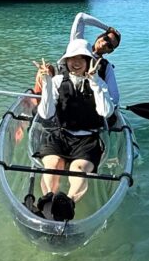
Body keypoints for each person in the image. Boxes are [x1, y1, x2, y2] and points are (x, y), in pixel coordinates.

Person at [32, 38, 114, 220]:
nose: (75, 63)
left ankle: (68, 203)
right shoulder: (58, 80)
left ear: (88, 61)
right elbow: (45, 114)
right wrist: (46, 83)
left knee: (78, 169)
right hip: (60, 135)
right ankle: (48, 202)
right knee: (53, 165)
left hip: (88, 139)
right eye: (71, 58)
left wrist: (95, 83)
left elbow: (106, 112)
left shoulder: (98, 82)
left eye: (81, 58)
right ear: (66, 61)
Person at [64, 12, 121, 104]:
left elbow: (114, 98)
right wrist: (107, 28)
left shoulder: (107, 67)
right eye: (106, 38)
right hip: (66, 98)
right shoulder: (78, 47)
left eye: (109, 45)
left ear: (110, 52)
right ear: (99, 36)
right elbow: (81, 17)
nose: (104, 44)